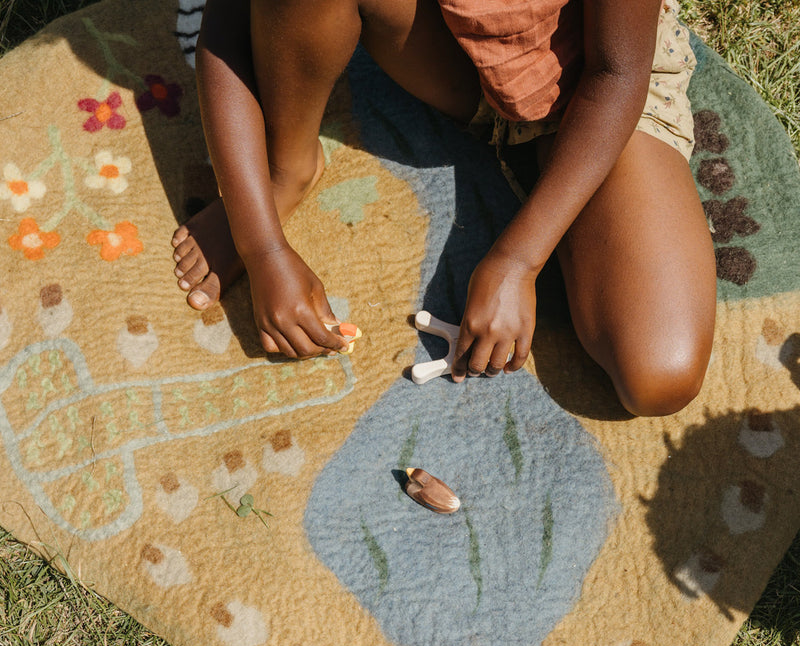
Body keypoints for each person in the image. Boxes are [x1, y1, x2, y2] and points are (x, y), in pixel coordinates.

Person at [171, 0, 716, 417]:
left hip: (595, 76)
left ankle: (558, 168)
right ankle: (285, 169)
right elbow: (229, 20)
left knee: (659, 372)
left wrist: (519, 259)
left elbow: (617, 73)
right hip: (460, 52)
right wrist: (260, 243)